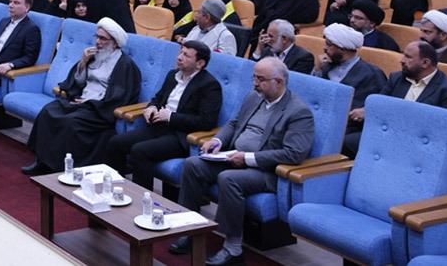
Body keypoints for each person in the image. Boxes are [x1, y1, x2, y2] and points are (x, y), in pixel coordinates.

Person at [168, 57, 314, 264]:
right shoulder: (254, 97)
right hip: (233, 157)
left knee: (229, 179)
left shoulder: (298, 112)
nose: (255, 83)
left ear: (279, 82)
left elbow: (294, 153)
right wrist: (217, 140)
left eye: (260, 79)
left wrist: (247, 158)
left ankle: (233, 248)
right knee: (193, 164)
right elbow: (234, 123)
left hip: (267, 171)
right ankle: (190, 231)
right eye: (254, 77)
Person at [22, 18, 142, 175]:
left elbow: (120, 98)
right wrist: (82, 63)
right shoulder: (93, 56)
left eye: (103, 39)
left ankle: (61, 168)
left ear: (115, 43)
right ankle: (42, 161)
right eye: (97, 37)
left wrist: (92, 102)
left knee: (69, 123)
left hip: (99, 110)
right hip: (80, 102)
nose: (98, 42)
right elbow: (77, 83)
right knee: (47, 111)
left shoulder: (125, 65)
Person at [107, 40, 222, 189]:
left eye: (186, 55)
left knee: (140, 151)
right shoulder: (172, 75)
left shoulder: (209, 85)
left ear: (200, 63)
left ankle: (141, 197)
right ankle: (115, 188)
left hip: (181, 136)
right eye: (181, 52)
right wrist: (152, 107)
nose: (179, 57)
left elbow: (207, 121)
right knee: (116, 142)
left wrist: (170, 117)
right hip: (158, 127)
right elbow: (158, 98)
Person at [342, 40, 447, 157]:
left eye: (408, 57)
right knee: (346, 142)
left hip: (417, 143)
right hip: (387, 133)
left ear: (425, 63)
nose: (402, 61)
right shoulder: (396, 78)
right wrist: (366, 110)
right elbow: (380, 102)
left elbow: (442, 129)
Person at [314, 23, 385, 159]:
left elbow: (369, 112)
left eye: (329, 45)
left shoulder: (370, 75)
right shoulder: (326, 65)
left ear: (342, 48)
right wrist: (317, 70)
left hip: (344, 130)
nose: (324, 48)